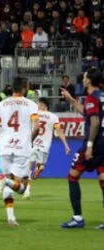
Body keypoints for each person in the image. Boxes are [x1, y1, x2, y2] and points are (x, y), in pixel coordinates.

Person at [0, 77, 40, 226]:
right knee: (21, 188)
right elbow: (36, 127)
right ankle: (4, 181)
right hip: (21, 147)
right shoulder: (31, 104)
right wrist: (29, 141)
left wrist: (2, 138)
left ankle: (11, 218)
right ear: (24, 88)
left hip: (4, 147)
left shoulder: (1, 104)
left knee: (10, 181)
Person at [60, 68, 104, 230]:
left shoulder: (92, 98)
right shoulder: (101, 96)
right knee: (103, 180)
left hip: (94, 144)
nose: (83, 79)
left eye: (85, 77)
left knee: (73, 176)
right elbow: (87, 113)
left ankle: (77, 217)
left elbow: (94, 123)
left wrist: (90, 146)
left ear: (89, 81)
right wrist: (71, 100)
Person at [22, 98, 71, 198]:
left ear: (44, 105)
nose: (38, 106)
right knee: (39, 167)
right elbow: (59, 131)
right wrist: (66, 145)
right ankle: (37, 172)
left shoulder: (34, 114)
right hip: (44, 146)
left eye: (39, 104)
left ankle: (27, 188)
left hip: (32, 143)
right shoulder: (53, 117)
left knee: (28, 169)